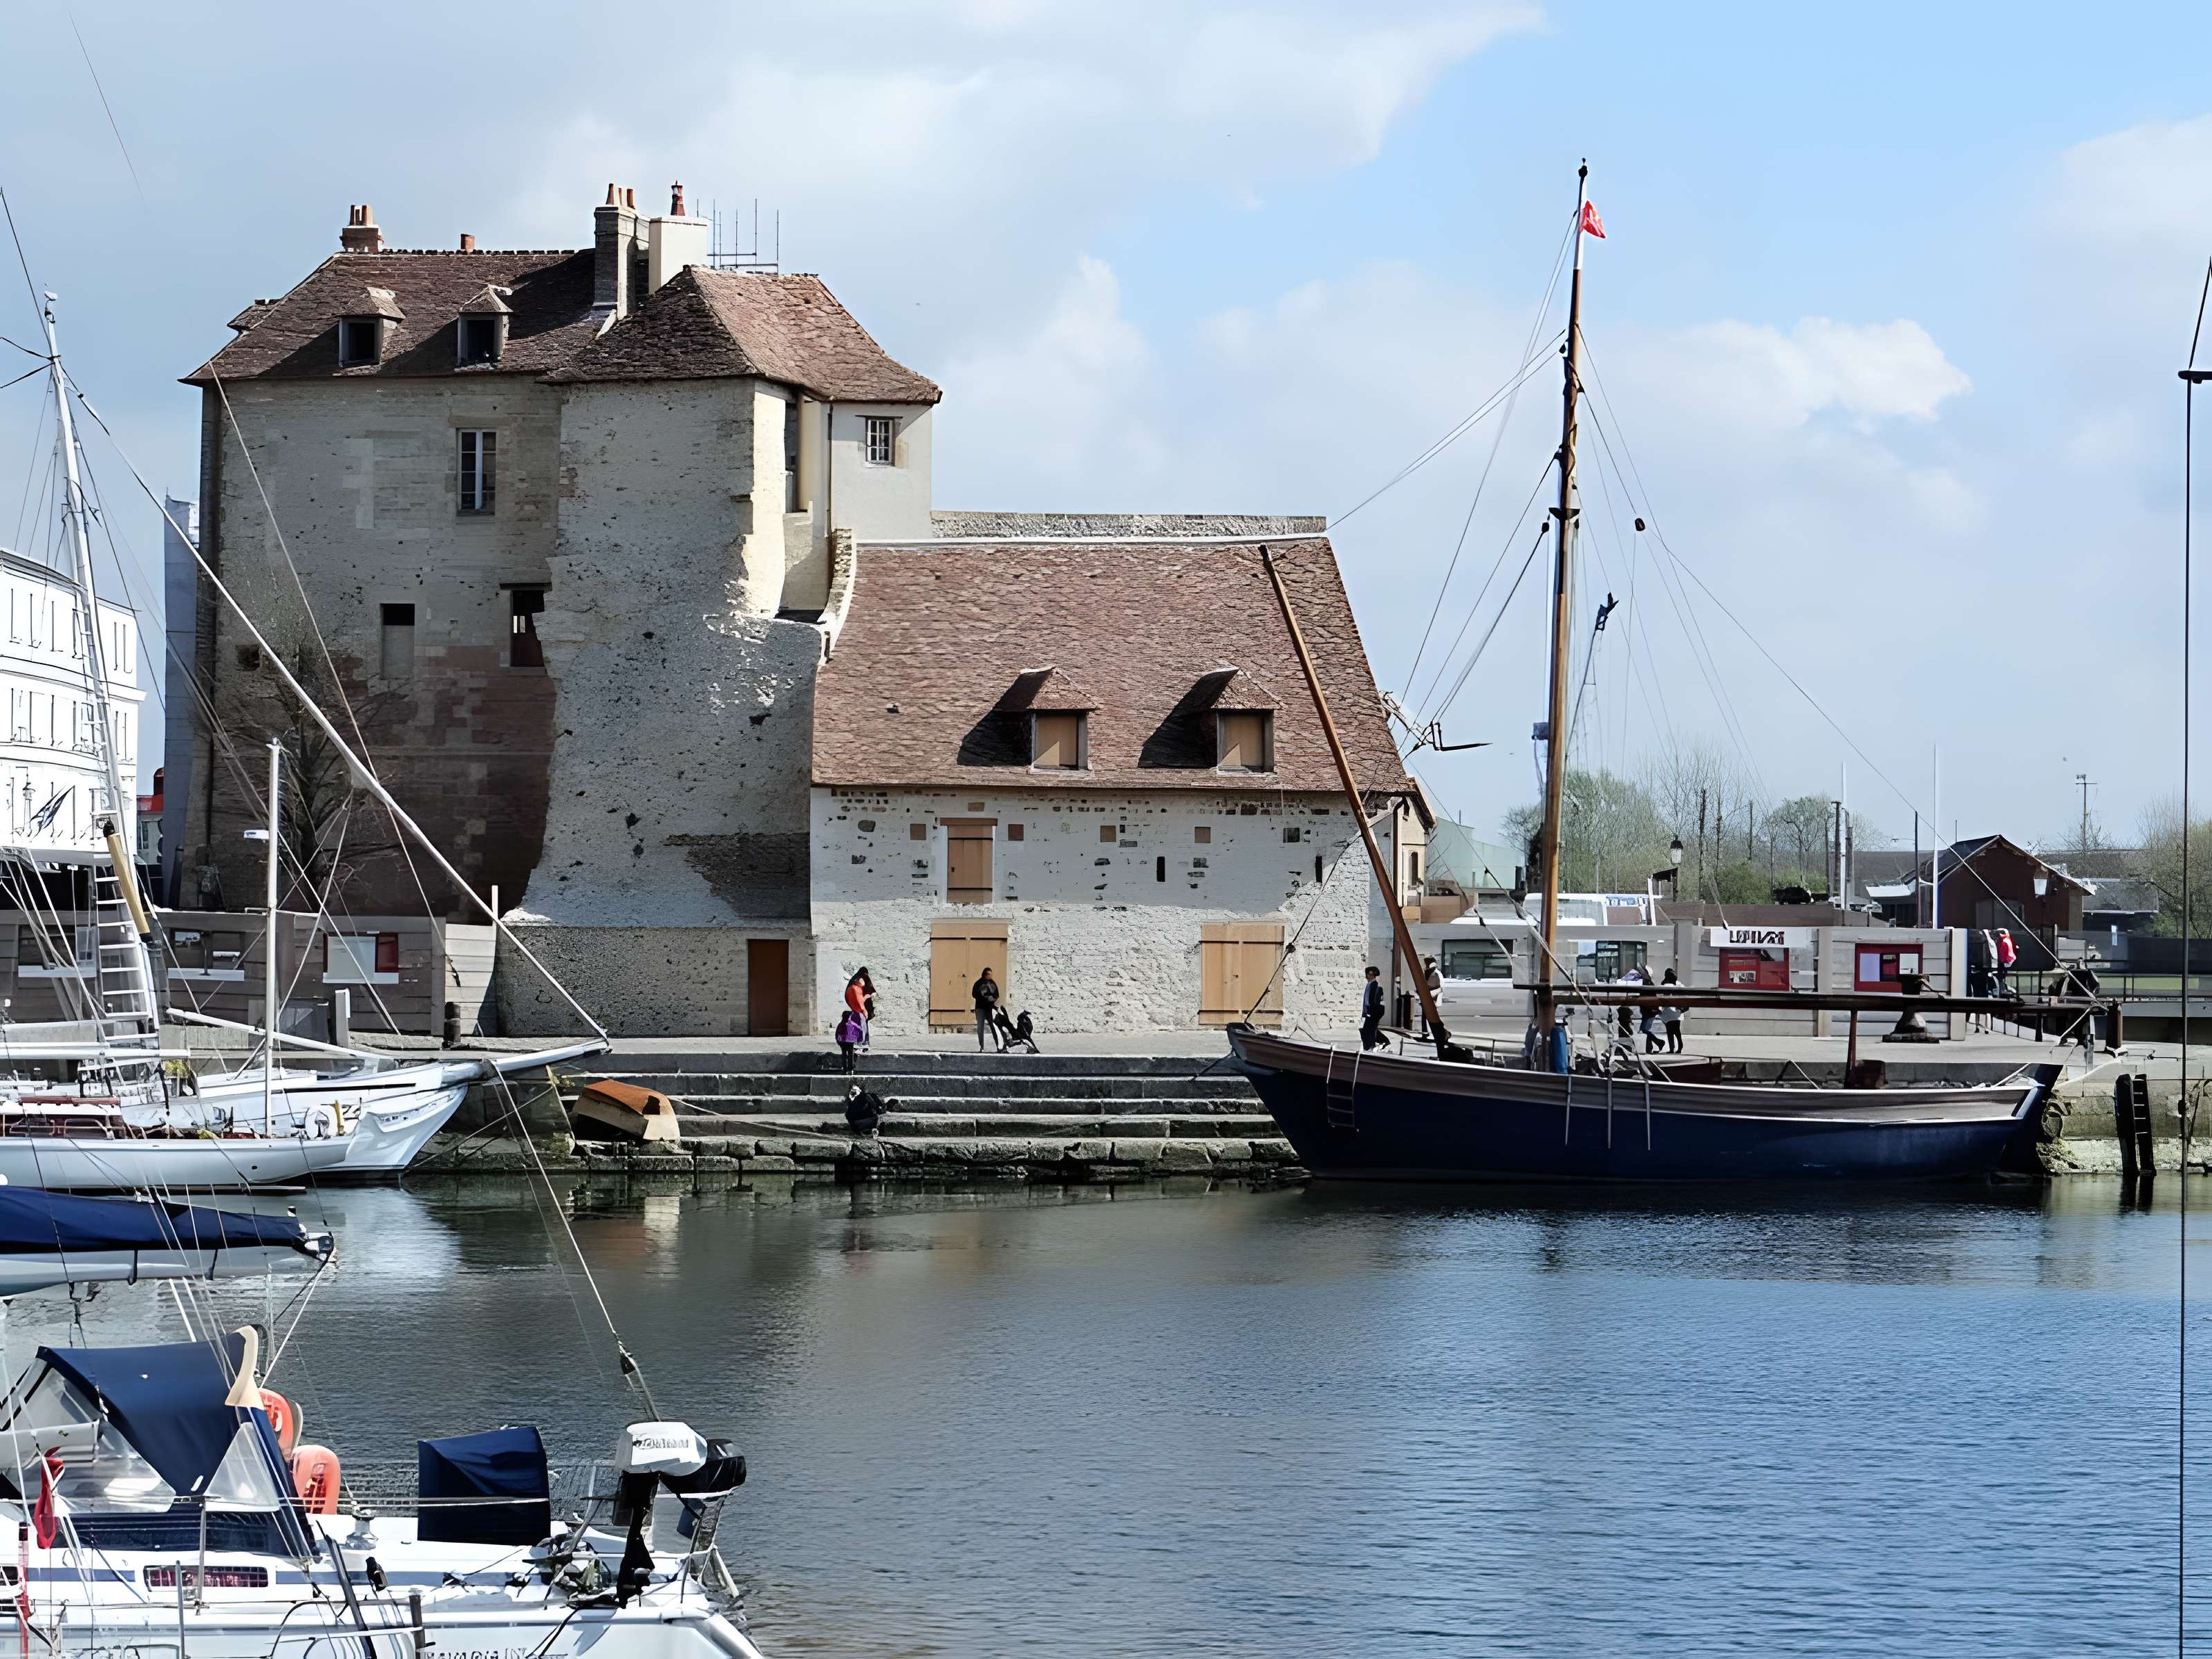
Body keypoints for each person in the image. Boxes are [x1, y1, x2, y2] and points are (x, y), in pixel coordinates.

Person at [972, 966, 1004, 1052]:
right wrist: (985, 998)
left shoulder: (992, 983)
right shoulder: (978, 983)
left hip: (990, 1009)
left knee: (994, 1027)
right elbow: (974, 994)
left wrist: (992, 1000)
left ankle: (999, 1046)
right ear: (985, 975)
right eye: (989, 974)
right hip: (980, 1008)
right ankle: (982, 1047)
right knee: (980, 1028)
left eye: (991, 974)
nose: (991, 976)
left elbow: (997, 994)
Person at [844, 967, 876, 1050]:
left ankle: (861, 1043)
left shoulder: (854, 983)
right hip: (860, 1009)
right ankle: (863, 1043)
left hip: (857, 1009)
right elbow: (859, 999)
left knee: (860, 1025)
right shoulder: (857, 986)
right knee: (862, 1025)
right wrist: (863, 1010)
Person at [1660, 967, 1686, 1055]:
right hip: (1677, 1012)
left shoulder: (1664, 985)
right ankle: (1680, 1046)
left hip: (1667, 1012)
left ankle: (1672, 1048)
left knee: (1670, 1032)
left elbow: (1661, 999)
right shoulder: (1679, 985)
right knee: (1677, 1031)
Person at [1360, 965, 1387, 1050]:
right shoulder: (1369, 985)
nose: (1368, 976)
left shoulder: (1376, 986)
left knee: (1368, 1030)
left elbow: (1379, 1002)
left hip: (1374, 1012)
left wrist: (1372, 1013)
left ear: (1373, 975)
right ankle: (1380, 1042)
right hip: (1368, 1011)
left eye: (1369, 974)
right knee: (1366, 1029)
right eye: (1367, 974)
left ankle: (1370, 1047)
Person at [833, 1007, 863, 1073]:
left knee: (844, 1055)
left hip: (843, 1042)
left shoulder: (841, 1024)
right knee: (850, 1055)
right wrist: (856, 1036)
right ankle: (850, 1068)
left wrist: (838, 1040)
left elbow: (837, 1033)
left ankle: (845, 1069)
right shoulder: (851, 1024)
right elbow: (860, 1029)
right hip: (850, 1042)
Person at [1421, 956, 1443, 1040]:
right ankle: (1426, 1033)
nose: (1425, 965)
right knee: (1426, 1017)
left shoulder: (1435, 974)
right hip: (1426, 997)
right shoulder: (1426, 972)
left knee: (1431, 1017)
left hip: (1431, 998)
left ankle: (1440, 1032)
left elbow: (1437, 987)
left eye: (1426, 963)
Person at [1994, 928, 2017, 996]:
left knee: (2000, 977)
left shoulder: (2001, 941)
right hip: (2003, 963)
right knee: (2001, 977)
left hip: (2000, 962)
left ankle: (2001, 990)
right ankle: (2001, 990)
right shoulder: (2006, 941)